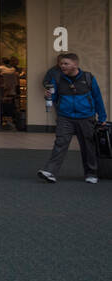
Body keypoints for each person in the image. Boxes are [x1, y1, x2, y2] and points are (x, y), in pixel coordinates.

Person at [37, 52, 106, 184]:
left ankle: (91, 174)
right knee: (60, 143)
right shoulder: (57, 79)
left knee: (88, 146)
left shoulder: (88, 77)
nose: (62, 66)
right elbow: (54, 98)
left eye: (66, 63)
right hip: (65, 118)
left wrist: (102, 117)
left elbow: (97, 98)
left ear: (75, 64)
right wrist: (48, 96)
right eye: (61, 63)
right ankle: (50, 171)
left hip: (86, 117)